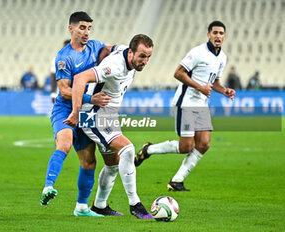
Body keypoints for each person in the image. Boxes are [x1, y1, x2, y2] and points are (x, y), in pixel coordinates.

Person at [135, 21, 235, 191]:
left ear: (224, 36)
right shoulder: (198, 52)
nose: (218, 36)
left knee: (204, 144)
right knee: (186, 147)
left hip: (201, 104)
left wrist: (224, 90)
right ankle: (148, 150)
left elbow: (214, 82)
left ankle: (177, 181)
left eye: (221, 33)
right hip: (186, 103)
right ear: (208, 35)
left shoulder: (222, 57)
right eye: (215, 33)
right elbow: (178, 73)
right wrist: (199, 87)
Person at [64, 34, 154, 219]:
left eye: (148, 57)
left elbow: (107, 48)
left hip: (108, 115)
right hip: (92, 114)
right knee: (128, 149)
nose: (145, 61)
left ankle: (99, 206)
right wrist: (75, 112)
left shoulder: (123, 52)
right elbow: (81, 78)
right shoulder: (114, 66)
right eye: (142, 56)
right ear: (131, 52)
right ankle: (135, 204)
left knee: (112, 165)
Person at [40, 11, 120, 217]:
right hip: (65, 109)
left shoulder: (94, 46)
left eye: (89, 28)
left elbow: (111, 48)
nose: (86, 32)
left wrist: (127, 50)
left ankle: (82, 208)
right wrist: (89, 98)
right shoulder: (64, 57)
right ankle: (48, 187)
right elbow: (65, 90)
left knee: (89, 162)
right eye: (82, 28)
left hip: (86, 111)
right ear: (71, 29)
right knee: (64, 143)